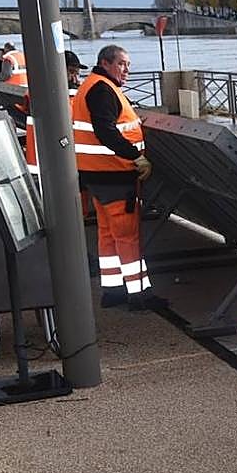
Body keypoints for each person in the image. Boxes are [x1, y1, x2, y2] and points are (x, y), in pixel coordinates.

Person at [71, 44, 165, 311]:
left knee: (108, 234)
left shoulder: (90, 85)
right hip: (114, 174)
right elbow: (106, 131)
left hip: (95, 173)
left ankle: (112, 290)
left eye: (129, 65)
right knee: (127, 236)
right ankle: (139, 295)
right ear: (106, 62)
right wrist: (135, 155)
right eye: (122, 64)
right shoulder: (103, 90)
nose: (127, 70)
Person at [19, 50, 85, 181]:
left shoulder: (39, 91)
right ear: (57, 70)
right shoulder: (54, 97)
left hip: (47, 164)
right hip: (52, 167)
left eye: (77, 74)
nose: (75, 79)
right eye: (71, 72)